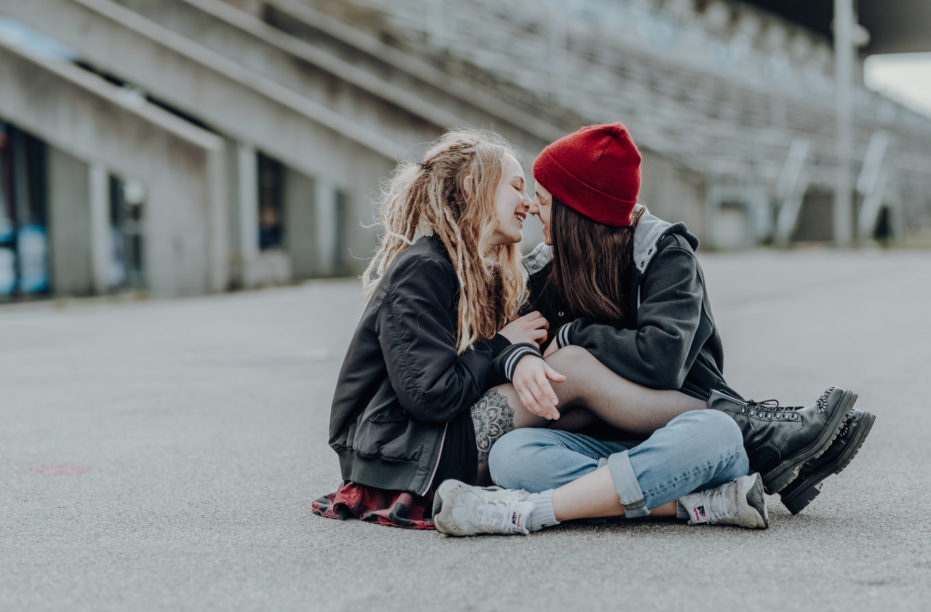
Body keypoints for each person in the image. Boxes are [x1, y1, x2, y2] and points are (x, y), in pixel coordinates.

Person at [432, 123, 873, 536]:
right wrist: (521, 355)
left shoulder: (665, 255)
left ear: (577, 209)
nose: (531, 207)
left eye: (544, 199)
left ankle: (540, 509)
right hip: (599, 446)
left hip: (677, 440)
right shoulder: (544, 270)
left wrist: (574, 336)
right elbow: (509, 338)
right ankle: (698, 498)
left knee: (717, 432)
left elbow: (660, 361)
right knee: (511, 456)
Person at [316, 129, 758, 530]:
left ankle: (689, 480)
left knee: (574, 400)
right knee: (572, 376)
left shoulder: (469, 269)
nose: (527, 203)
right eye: (516, 186)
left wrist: (512, 350)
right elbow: (433, 394)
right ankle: (742, 428)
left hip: (431, 445)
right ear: (474, 188)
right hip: (408, 454)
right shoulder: (423, 268)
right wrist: (505, 348)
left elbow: (514, 342)